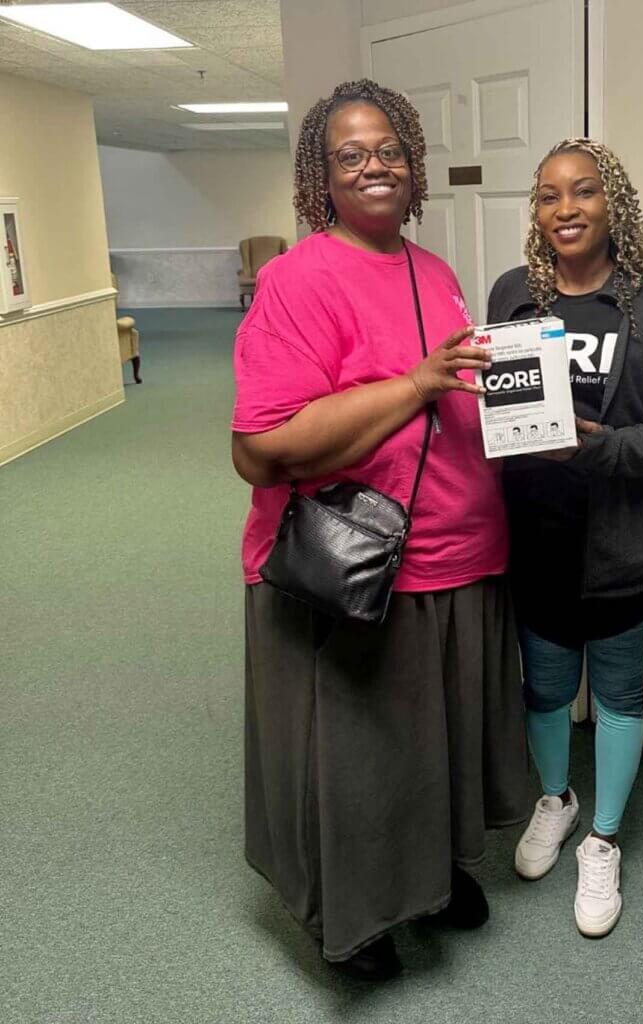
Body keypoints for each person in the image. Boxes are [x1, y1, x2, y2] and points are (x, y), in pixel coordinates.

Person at [231, 79, 529, 981]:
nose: (375, 166)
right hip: (354, 561)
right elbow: (260, 449)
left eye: (390, 149)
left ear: (415, 165)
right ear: (322, 176)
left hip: (457, 551)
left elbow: (453, 396)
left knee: (433, 741)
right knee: (359, 758)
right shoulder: (296, 279)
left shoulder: (430, 270)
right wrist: (415, 385)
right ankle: (354, 919)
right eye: (350, 154)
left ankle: (430, 877)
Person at [487, 139, 643, 937]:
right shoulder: (514, 294)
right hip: (537, 539)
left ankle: (605, 840)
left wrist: (598, 447)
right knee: (544, 690)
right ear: (537, 212)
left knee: (616, 697)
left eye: (583, 192)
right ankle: (558, 800)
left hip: (626, 545)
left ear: (613, 203)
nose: (565, 209)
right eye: (548, 196)